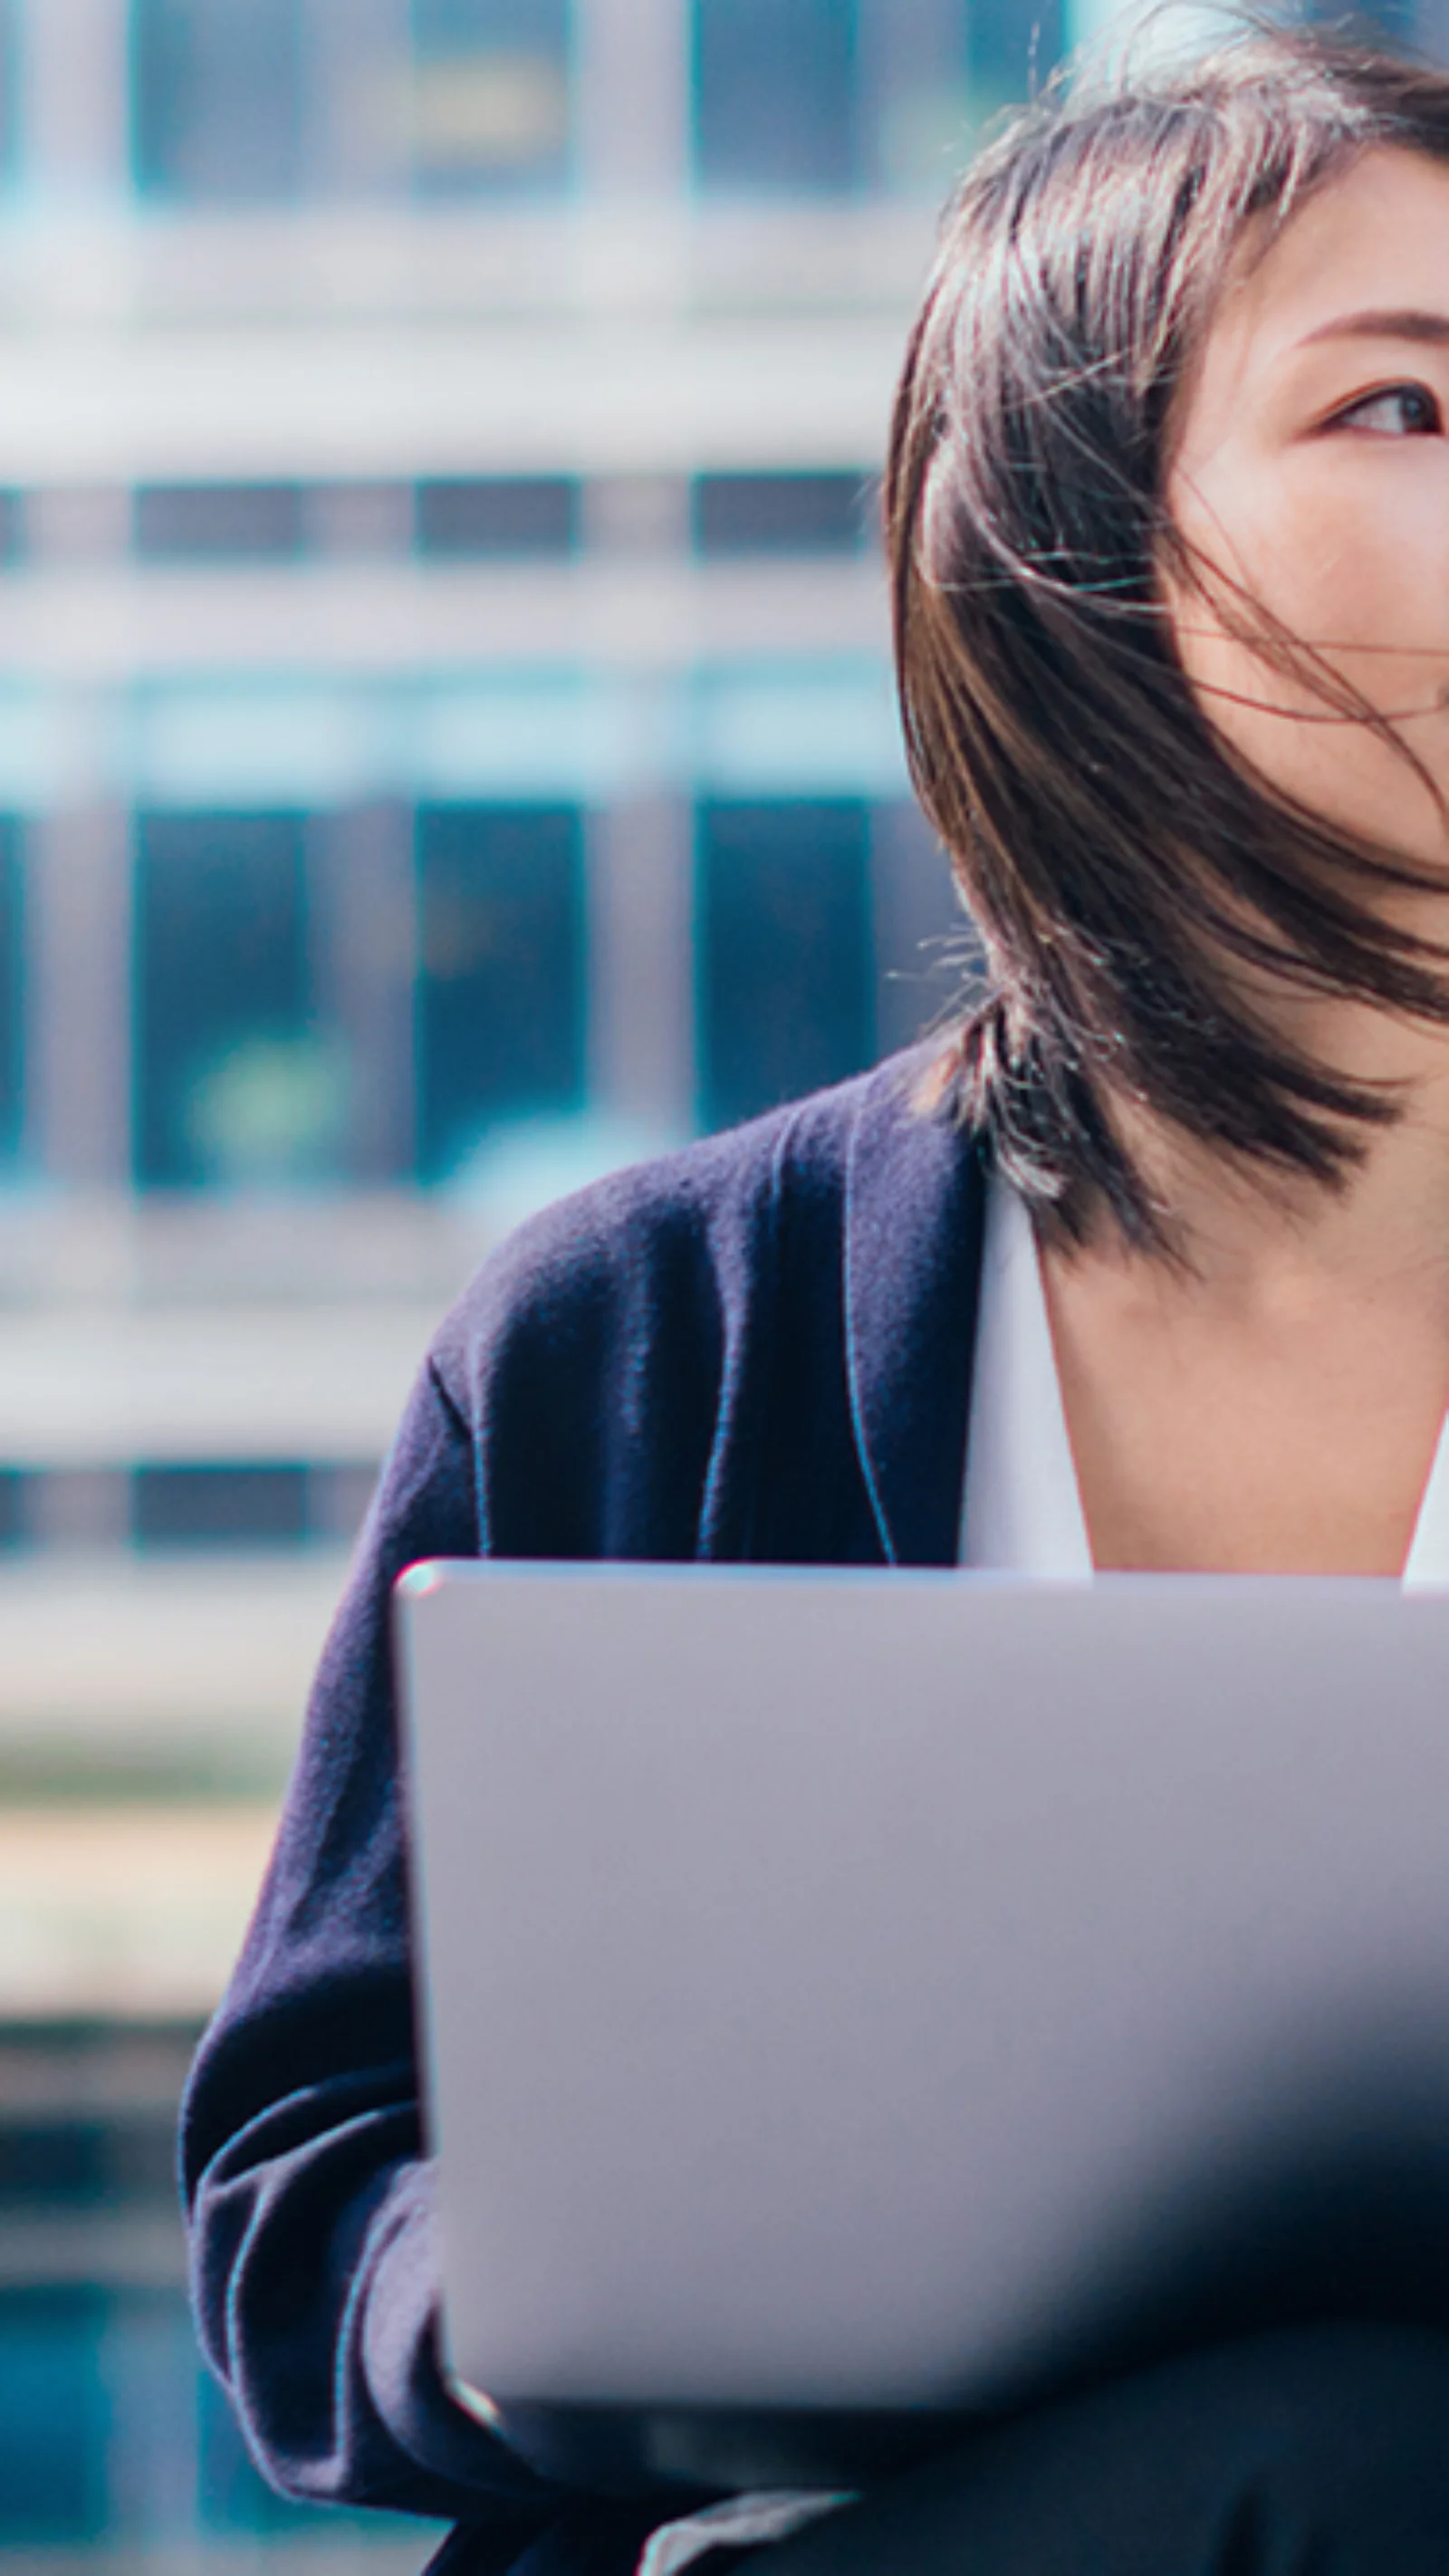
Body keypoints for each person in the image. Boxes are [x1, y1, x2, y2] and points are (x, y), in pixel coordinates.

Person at [182, 24, 1449, 2573]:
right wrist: (548, 2291)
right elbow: (301, 2191)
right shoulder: (642, 1331)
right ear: (1084, 542)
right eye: (1402, 404)